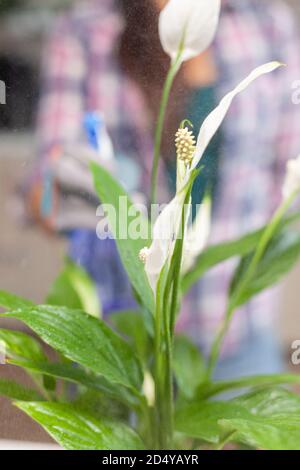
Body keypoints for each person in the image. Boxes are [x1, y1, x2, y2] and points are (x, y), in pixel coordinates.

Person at [29, 0, 300, 379]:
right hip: (122, 343)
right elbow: (45, 193)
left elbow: (289, 175)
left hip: (236, 336)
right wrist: (69, 188)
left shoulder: (268, 23)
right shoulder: (84, 31)